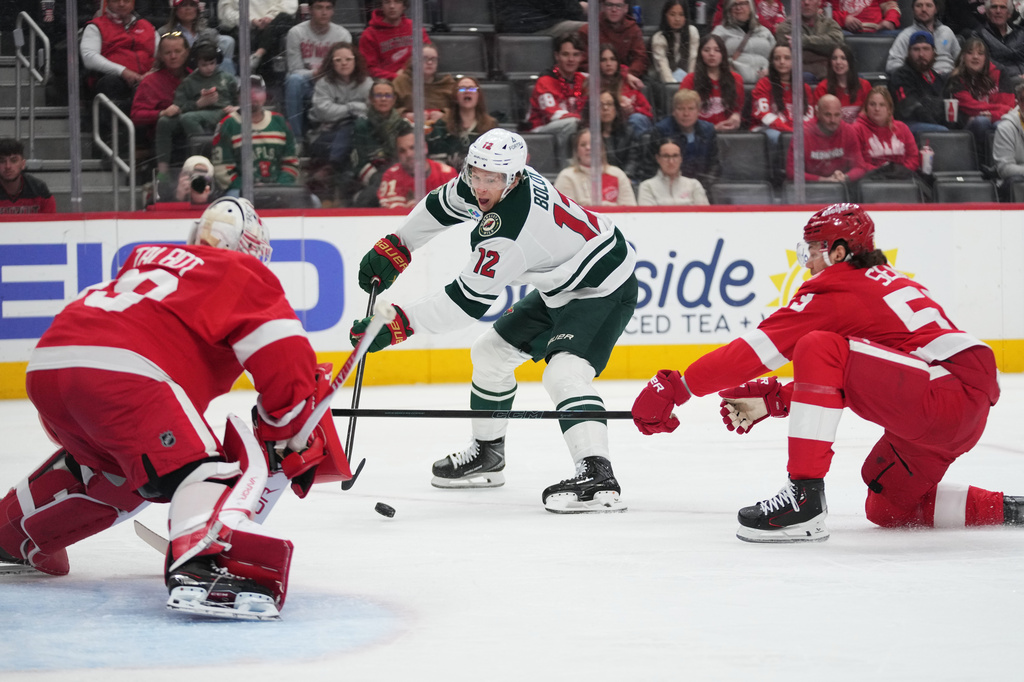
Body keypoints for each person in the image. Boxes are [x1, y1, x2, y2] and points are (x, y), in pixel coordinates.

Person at [0, 197, 349, 620]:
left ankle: (8, 534)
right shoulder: (240, 271)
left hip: (50, 366)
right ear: (250, 248)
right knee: (205, 469)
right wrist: (290, 424)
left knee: (118, 473)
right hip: (123, 372)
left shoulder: (148, 263)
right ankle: (202, 567)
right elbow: (283, 351)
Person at [631, 203, 1009, 542]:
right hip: (958, 411)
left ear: (838, 252)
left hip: (942, 396)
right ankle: (1008, 508)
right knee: (890, 508)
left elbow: (756, 351)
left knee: (816, 344)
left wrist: (677, 387)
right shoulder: (883, 282)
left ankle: (803, 499)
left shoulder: (837, 287)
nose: (807, 262)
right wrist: (779, 399)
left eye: (812, 250)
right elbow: (867, 375)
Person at [351, 128, 638, 513]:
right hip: (561, 285)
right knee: (490, 355)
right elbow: (441, 204)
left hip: (602, 289)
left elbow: (465, 303)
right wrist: (400, 244)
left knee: (564, 374)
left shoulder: (511, 231)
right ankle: (489, 456)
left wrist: (399, 324)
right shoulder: (491, 181)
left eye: (492, 179)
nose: (481, 186)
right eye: (476, 174)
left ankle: (598, 475)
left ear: (515, 177)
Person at [212, 75, 299, 195]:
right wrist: (249, 187)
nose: (252, 95)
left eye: (257, 91)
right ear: (238, 97)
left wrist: (279, 187)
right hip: (240, 191)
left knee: (313, 201)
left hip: (278, 189)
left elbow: (291, 162)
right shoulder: (227, 124)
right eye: (246, 91)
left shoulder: (280, 122)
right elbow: (222, 169)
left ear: (265, 95)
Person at [284, 0, 352, 143]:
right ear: (310, 10)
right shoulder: (296, 32)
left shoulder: (342, 35)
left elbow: (345, 70)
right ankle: (297, 140)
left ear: (333, 11)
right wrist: (317, 73)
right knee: (293, 81)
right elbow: (295, 70)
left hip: (332, 83)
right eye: (319, 7)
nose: (324, 12)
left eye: (328, 8)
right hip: (307, 83)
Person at [80, 0, 158, 120]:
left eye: (126, 0)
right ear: (108, 2)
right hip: (113, 81)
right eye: (116, 0)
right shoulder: (95, 26)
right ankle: (112, 135)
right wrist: (123, 71)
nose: (121, 4)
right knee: (111, 83)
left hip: (147, 80)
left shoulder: (148, 26)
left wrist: (153, 73)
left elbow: (162, 54)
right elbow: (89, 57)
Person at [944, 36, 1016, 163]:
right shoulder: (955, 78)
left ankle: (1003, 165)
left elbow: (1008, 106)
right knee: (981, 122)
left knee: (1003, 125)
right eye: (970, 53)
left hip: (997, 119)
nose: (975, 57)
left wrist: (992, 115)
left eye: (980, 54)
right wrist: (998, 111)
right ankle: (981, 164)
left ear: (986, 58)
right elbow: (969, 106)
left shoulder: (1000, 72)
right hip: (966, 125)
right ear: (963, 57)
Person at [308, 42, 372, 177]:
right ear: (331, 63)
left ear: (356, 61)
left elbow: (371, 110)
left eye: (348, 59)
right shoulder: (323, 84)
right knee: (350, 127)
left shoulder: (367, 83)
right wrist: (352, 107)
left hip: (357, 134)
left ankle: (332, 168)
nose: (344, 63)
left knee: (352, 127)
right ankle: (336, 167)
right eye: (338, 60)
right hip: (326, 136)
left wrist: (341, 111)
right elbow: (324, 112)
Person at [131, 30, 190, 176]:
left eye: (178, 51)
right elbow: (136, 115)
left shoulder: (196, 76)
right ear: (161, 56)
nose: (173, 56)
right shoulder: (150, 82)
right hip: (166, 140)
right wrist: (161, 113)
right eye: (168, 52)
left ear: (187, 52)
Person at [528, 32, 588, 157]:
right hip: (541, 132)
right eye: (565, 54)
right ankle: (566, 167)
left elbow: (608, 77)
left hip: (574, 126)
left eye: (576, 55)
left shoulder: (583, 79)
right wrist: (581, 121)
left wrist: (626, 74)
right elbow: (553, 114)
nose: (571, 60)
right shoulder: (545, 81)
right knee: (572, 123)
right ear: (557, 56)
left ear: (582, 57)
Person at [787, 93, 867, 184]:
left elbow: (860, 167)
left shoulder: (849, 131)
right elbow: (792, 172)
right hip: (811, 189)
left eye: (837, 115)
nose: (833, 120)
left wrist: (845, 177)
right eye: (828, 115)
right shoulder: (802, 133)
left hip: (841, 187)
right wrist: (824, 180)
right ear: (817, 114)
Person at [351, 80, 408, 206]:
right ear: (371, 99)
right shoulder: (362, 125)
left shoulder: (403, 125)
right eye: (378, 95)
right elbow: (359, 161)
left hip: (400, 176)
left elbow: (409, 157)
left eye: (387, 95)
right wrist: (381, 179)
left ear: (394, 99)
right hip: (373, 179)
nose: (383, 99)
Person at [173, 43, 240, 147]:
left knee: (188, 118)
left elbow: (238, 100)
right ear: (196, 64)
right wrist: (198, 104)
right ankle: (205, 150)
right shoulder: (189, 82)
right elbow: (179, 108)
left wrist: (237, 108)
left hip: (224, 111)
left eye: (212, 63)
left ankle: (206, 149)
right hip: (201, 113)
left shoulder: (227, 78)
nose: (209, 68)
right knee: (186, 118)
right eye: (204, 65)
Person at [426, 77, 499, 170]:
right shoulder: (442, 125)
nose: (467, 91)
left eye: (472, 88)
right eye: (462, 88)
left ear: (478, 96)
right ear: (455, 97)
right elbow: (438, 164)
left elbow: (495, 162)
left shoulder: (491, 126)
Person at [654, 88, 721, 187]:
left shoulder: (708, 130)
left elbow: (714, 165)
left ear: (698, 111)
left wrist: (702, 186)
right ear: (673, 111)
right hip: (669, 185)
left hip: (702, 186)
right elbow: (652, 166)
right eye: (681, 109)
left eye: (691, 109)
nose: (686, 114)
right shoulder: (661, 131)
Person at [376, 128, 458, 209]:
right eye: (402, 151)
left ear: (425, 147)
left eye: (413, 148)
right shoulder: (391, 176)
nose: (408, 154)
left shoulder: (447, 174)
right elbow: (393, 215)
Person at [554, 127, 638, 206]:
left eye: (593, 144)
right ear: (576, 151)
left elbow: (630, 210)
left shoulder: (617, 174)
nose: (588, 148)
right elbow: (565, 211)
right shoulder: (566, 176)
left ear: (601, 149)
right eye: (583, 145)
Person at [889, 30, 953, 134]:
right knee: (943, 132)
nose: (921, 54)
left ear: (933, 52)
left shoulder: (938, 78)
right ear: (909, 52)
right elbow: (910, 109)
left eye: (926, 49)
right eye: (916, 49)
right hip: (908, 124)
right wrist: (937, 124)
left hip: (934, 123)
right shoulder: (901, 75)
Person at [680, 34, 746, 131]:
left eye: (717, 50)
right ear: (700, 54)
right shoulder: (689, 79)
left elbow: (738, 108)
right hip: (699, 132)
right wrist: (713, 128)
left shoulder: (736, 79)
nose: (711, 54)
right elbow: (683, 113)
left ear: (723, 54)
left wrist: (736, 116)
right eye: (706, 50)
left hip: (728, 132)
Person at [750, 44, 814, 144]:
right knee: (777, 136)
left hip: (795, 131)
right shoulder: (763, 84)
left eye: (787, 58)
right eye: (777, 58)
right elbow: (763, 114)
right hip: (768, 129)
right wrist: (789, 131)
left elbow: (809, 117)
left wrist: (796, 132)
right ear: (772, 62)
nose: (782, 62)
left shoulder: (804, 87)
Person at [579, 0, 649, 90]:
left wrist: (628, 74)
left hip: (627, 80)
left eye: (619, 6)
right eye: (609, 5)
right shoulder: (588, 30)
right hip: (597, 82)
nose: (614, 10)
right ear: (603, 7)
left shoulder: (633, 30)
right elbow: (583, 63)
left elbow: (640, 58)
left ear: (626, 8)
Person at [217, 0, 296, 77]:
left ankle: (257, 56)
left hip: (275, 24)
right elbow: (225, 13)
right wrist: (251, 20)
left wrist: (270, 17)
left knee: (284, 17)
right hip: (244, 28)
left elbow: (289, 5)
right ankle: (256, 58)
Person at [159, 0, 237, 75]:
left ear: (197, 9)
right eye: (184, 5)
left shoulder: (208, 33)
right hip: (180, 74)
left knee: (227, 46)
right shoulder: (165, 32)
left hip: (208, 71)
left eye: (192, 5)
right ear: (175, 10)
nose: (188, 8)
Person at [358, 0, 431, 80]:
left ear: (404, 6)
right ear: (381, 6)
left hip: (416, 80)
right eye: (387, 2)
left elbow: (428, 55)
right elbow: (369, 69)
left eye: (397, 1)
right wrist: (396, 77)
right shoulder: (369, 34)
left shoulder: (415, 27)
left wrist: (405, 70)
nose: (392, 6)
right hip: (386, 85)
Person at [774, 0, 845, 82]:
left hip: (828, 76)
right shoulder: (785, 27)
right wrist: (824, 50)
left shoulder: (829, 24)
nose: (806, 2)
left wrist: (803, 41)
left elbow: (837, 43)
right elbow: (792, 54)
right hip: (800, 77)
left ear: (819, 2)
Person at [885, 0, 960, 76]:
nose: (924, 9)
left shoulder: (946, 31)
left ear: (936, 9)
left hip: (949, 79)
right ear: (913, 9)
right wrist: (915, 74)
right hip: (922, 80)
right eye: (919, 5)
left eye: (928, 5)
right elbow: (892, 65)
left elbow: (960, 60)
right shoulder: (906, 35)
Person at [393, 43, 456, 130]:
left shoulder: (447, 83)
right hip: (408, 131)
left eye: (433, 59)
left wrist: (444, 115)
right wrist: (405, 115)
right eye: (424, 59)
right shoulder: (401, 82)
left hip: (442, 131)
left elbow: (462, 110)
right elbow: (387, 109)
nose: (429, 62)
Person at [712, 0, 777, 85]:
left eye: (743, 3)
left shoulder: (764, 31)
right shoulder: (720, 31)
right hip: (734, 85)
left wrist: (770, 70)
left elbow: (777, 56)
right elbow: (712, 57)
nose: (738, 8)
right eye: (734, 5)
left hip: (764, 85)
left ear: (751, 7)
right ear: (729, 9)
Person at [598, 45, 655, 136]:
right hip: (606, 126)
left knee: (636, 119)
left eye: (612, 59)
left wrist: (633, 110)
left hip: (632, 124)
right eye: (603, 60)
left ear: (617, 63)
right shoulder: (593, 86)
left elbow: (647, 110)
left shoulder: (629, 83)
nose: (608, 63)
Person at [636, 139, 710, 205]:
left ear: (681, 158)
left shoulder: (694, 185)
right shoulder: (647, 186)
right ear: (658, 158)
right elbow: (647, 218)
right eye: (666, 156)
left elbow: (704, 215)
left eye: (675, 156)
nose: (671, 162)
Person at [814, 44, 872, 123]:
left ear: (850, 62)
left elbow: (870, 115)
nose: (838, 62)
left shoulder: (865, 86)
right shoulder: (822, 88)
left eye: (843, 58)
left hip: (859, 132)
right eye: (834, 58)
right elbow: (819, 119)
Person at [597, 90, 642, 184]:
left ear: (616, 108)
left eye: (609, 104)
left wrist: (623, 178)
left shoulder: (628, 131)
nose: (605, 108)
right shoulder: (587, 134)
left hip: (624, 178)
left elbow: (633, 160)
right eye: (600, 105)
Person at [0, 138, 56, 214]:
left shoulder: (39, 189)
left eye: (14, 160)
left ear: (23, 164)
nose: (8, 166)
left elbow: (51, 223)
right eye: (2, 161)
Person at [651, 0, 700, 83]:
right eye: (672, 14)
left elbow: (693, 61)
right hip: (666, 84)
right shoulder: (659, 38)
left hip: (689, 83)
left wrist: (689, 83)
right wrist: (674, 86)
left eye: (681, 14)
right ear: (665, 16)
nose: (677, 19)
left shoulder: (692, 32)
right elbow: (663, 69)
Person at [976, 0, 1024, 81]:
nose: (998, 11)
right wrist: (1016, 77)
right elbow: (987, 63)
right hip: (1000, 81)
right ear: (988, 12)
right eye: (994, 7)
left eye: (1003, 7)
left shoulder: (1021, 33)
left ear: (1009, 14)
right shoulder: (979, 35)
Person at [993, 81, 1024, 194]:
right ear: (1019, 103)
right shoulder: (1006, 128)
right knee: (1016, 181)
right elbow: (1004, 169)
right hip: (1017, 182)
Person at [495, 0, 587, 35]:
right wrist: (580, 7)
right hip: (532, 27)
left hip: (522, 25)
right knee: (591, 29)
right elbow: (561, 7)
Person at [711, 0, 790, 35]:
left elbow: (780, 14)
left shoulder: (776, 2)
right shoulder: (748, 3)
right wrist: (773, 29)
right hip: (745, 34)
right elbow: (755, 16)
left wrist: (779, 24)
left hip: (769, 36)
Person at [825, 0, 902, 34]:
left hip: (877, 32)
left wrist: (890, 21)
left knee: (902, 36)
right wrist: (843, 19)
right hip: (844, 32)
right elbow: (822, 13)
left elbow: (891, 6)